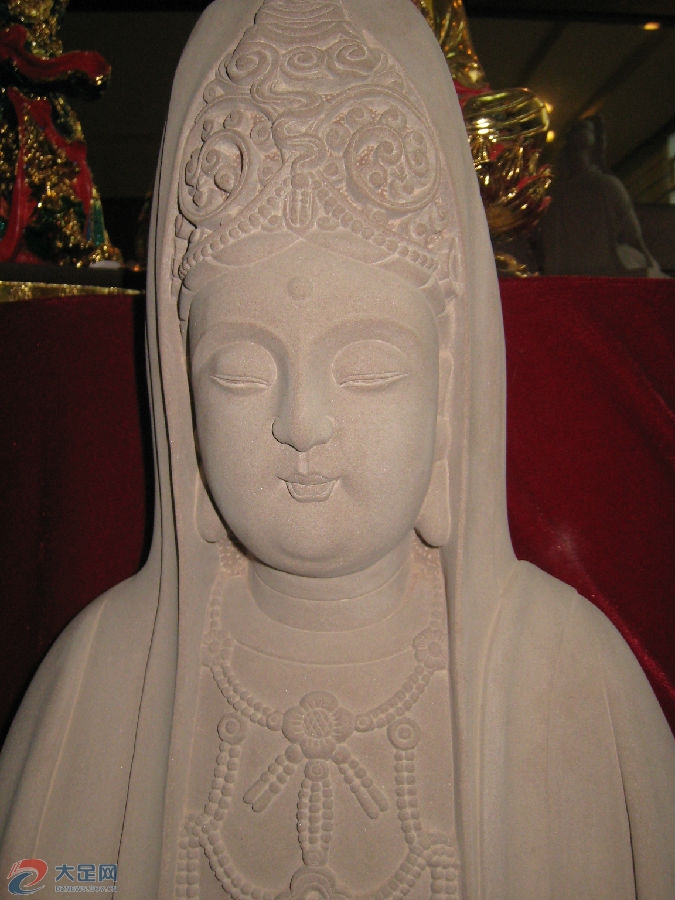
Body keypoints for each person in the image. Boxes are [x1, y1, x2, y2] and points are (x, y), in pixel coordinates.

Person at [0, 2, 672, 898]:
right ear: (183, 398)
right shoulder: (107, 673)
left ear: (446, 392)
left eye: (366, 370)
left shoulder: (562, 672)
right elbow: (48, 880)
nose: (302, 423)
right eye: (240, 373)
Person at [539, 116, 662, 277]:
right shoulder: (559, 193)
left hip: (591, 274)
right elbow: (632, 234)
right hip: (589, 273)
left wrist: (648, 259)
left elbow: (632, 234)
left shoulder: (605, 186)